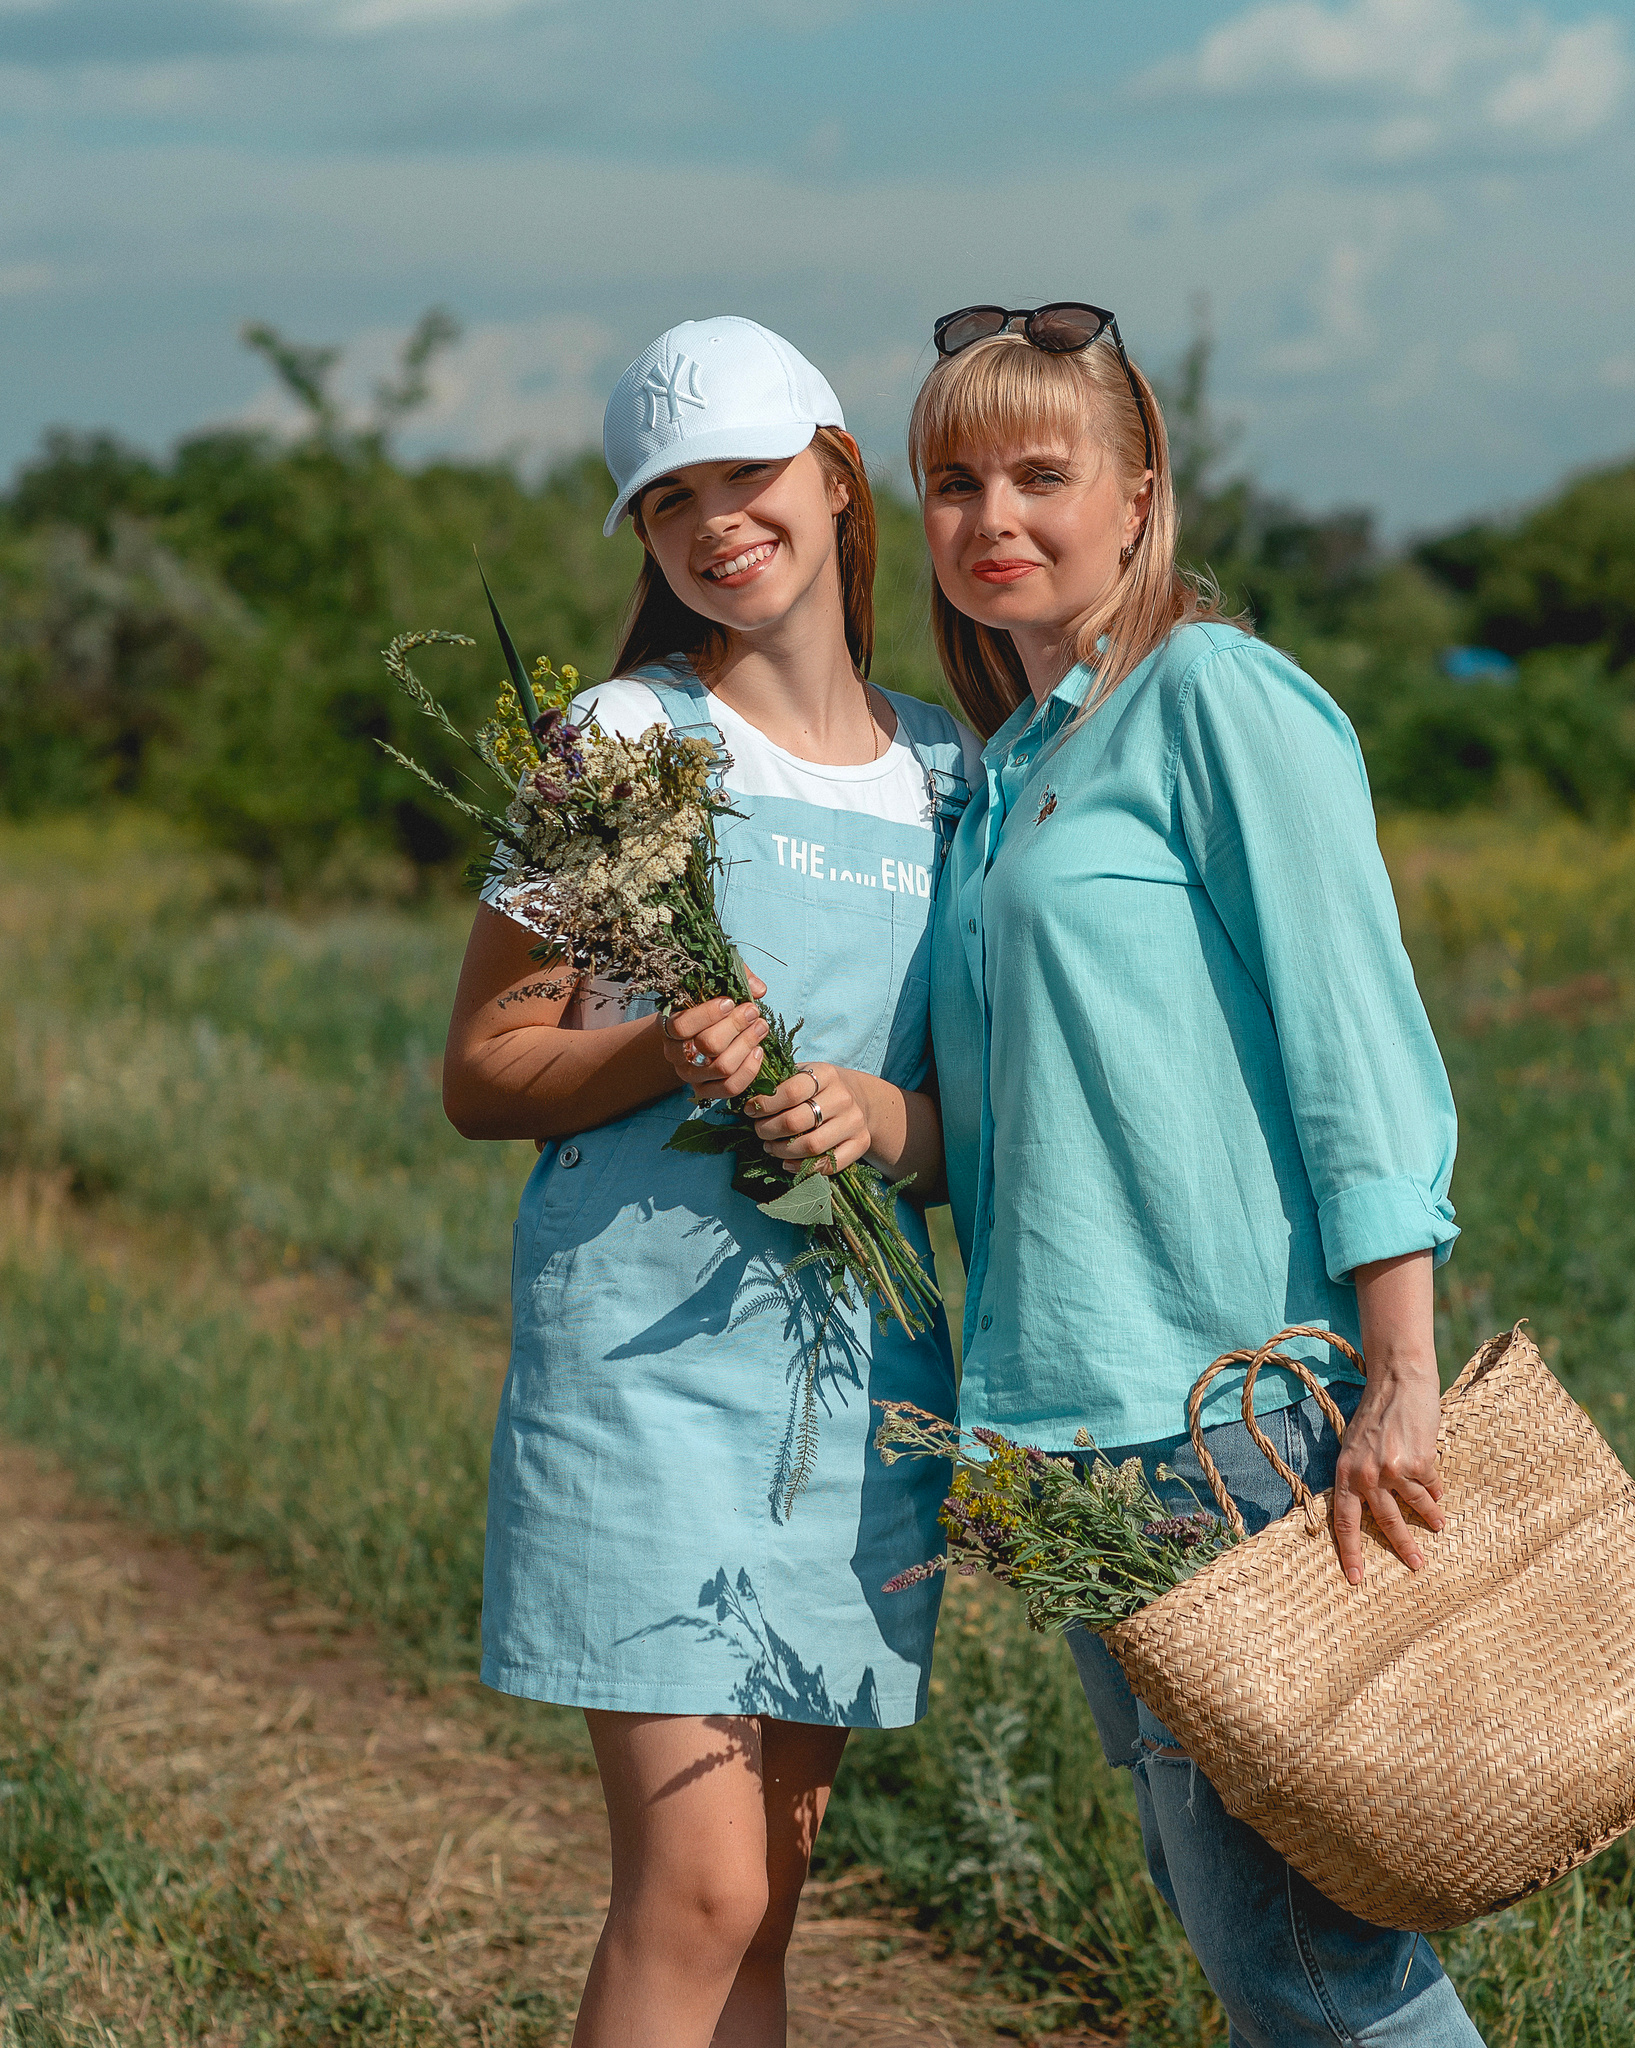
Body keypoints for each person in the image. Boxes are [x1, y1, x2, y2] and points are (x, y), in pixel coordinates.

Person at [911, 302, 1489, 2046]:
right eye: (954, 481)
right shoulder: (1006, 776)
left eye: (1041, 472)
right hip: (1074, 1431)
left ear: (1141, 490)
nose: (994, 516)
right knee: (1239, 1932)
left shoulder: (1215, 700)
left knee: (1315, 1963)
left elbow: (1357, 1042)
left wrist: (1397, 1377)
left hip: (1233, 1411)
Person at [443, 315, 979, 2048]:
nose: (710, 521)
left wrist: (879, 1127)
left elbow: (974, 1124)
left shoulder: (951, 776)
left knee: (774, 1895)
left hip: (855, 1387)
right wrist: (660, 1048)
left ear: (834, 478)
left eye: (741, 475)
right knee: (698, 1892)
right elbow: (486, 1067)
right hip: (649, 1384)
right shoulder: (621, 741)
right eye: (667, 500)